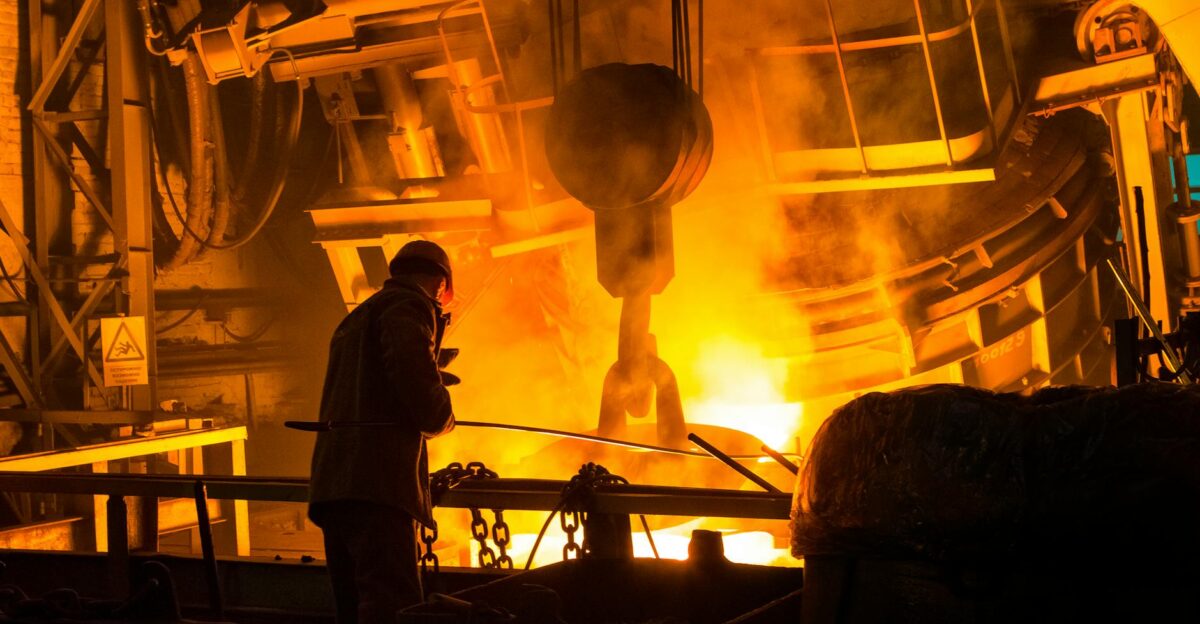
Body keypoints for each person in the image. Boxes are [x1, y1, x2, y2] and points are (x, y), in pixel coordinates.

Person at [308, 240, 456, 624]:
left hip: (335, 486)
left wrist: (428, 367)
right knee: (392, 607)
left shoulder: (358, 317)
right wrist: (441, 409)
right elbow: (423, 398)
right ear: (440, 283)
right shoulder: (409, 306)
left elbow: (372, 382)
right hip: (378, 489)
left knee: (353, 608)